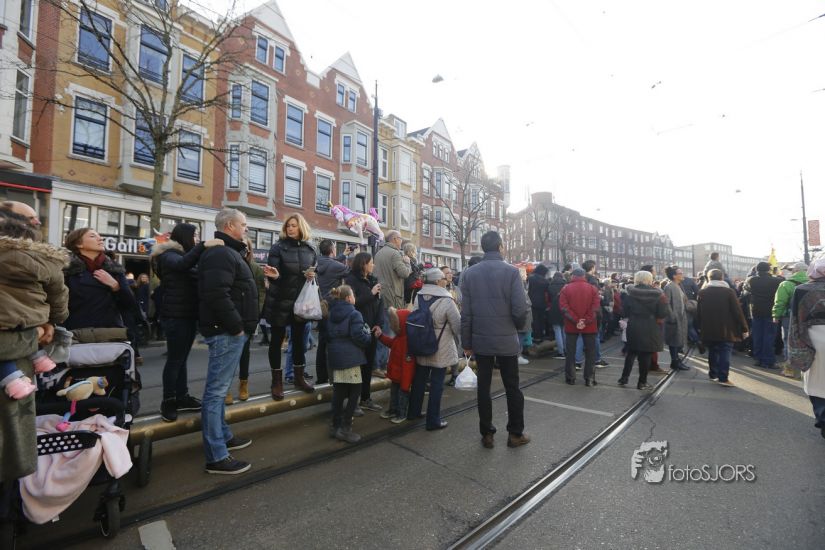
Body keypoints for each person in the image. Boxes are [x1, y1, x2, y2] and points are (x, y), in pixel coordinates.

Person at [0, 210, 68, 485]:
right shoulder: (45, 263)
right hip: (26, 337)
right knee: (15, 427)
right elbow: (59, 300)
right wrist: (47, 324)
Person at [197, 208, 258, 475]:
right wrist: (236, 327)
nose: (246, 228)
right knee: (215, 393)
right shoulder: (221, 253)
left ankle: (223, 436)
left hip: (228, 331)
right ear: (230, 225)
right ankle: (217, 456)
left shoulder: (228, 252)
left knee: (219, 391)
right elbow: (216, 293)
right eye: (243, 224)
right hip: (226, 332)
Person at [460, 231, 530, 449]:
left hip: (481, 340)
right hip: (506, 339)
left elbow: (466, 313)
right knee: (512, 387)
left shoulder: (470, 274)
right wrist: (516, 327)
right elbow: (520, 308)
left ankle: (487, 433)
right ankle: (515, 434)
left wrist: (466, 343)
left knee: (484, 387)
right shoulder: (511, 272)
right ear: (500, 247)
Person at [151, 222, 215, 422]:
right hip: (175, 315)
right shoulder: (169, 254)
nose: (197, 239)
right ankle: (168, 401)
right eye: (195, 236)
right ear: (185, 236)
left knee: (181, 358)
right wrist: (203, 246)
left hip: (187, 314)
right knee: (175, 360)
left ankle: (182, 396)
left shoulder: (183, 256)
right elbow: (182, 265)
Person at [262, 213, 317, 400]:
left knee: (300, 342)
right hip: (279, 301)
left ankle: (299, 378)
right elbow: (273, 275)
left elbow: (313, 271)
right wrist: (275, 276)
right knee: (276, 341)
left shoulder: (310, 249)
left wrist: (311, 275)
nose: (291, 228)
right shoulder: (278, 247)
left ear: (301, 227)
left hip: (300, 303)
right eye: (288, 226)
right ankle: (276, 382)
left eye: (294, 225)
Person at [407, 268, 461, 430]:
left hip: (421, 342)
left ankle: (413, 412)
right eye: (444, 278)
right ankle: (433, 420)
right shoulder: (447, 299)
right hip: (440, 346)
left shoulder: (419, 296)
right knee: (437, 383)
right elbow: (457, 325)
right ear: (438, 281)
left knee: (419, 379)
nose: (446, 280)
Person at [62, 228, 137, 336]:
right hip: (77, 333)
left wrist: (115, 286)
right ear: (79, 244)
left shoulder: (115, 269)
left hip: (112, 332)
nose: (100, 239)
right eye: (93, 236)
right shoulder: (67, 271)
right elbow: (59, 305)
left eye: (99, 236)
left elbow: (130, 304)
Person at [326, 285, 373, 443]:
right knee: (355, 390)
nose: (354, 298)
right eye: (353, 295)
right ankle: (345, 428)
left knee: (339, 391)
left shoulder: (332, 312)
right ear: (348, 298)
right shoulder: (354, 313)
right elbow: (358, 336)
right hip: (351, 357)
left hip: (336, 356)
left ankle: (335, 426)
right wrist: (368, 336)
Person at [226, 236, 267, 404]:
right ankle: (226, 387)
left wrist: (257, 310)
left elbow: (261, 291)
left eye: (246, 247)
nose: (244, 250)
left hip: (249, 316)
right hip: (231, 315)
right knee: (228, 354)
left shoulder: (255, 268)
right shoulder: (229, 263)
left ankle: (244, 384)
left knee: (244, 353)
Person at [788, 255, 825, 438]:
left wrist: (796, 346)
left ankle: (823, 417)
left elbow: (796, 321)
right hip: (815, 337)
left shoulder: (801, 290)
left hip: (814, 340)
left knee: (816, 381)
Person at [345, 252, 385, 413]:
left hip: (372, 329)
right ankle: (352, 402)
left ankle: (365, 398)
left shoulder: (373, 280)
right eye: (371, 262)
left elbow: (380, 304)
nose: (373, 265)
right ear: (363, 264)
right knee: (357, 367)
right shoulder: (351, 280)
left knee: (368, 366)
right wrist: (371, 293)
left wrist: (379, 324)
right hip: (358, 328)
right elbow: (353, 303)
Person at [618, 271, 671, 390]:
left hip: (634, 325)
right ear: (649, 279)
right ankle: (642, 382)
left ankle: (624, 378)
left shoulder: (629, 293)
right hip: (651, 326)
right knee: (646, 355)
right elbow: (663, 313)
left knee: (631, 352)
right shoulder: (658, 294)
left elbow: (624, 311)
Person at [697, 269, 749, 386]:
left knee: (712, 351)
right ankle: (723, 378)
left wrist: (699, 327)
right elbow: (737, 311)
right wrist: (744, 327)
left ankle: (713, 374)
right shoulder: (729, 292)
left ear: (709, 278)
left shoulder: (702, 292)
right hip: (726, 329)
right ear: (722, 278)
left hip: (708, 328)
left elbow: (699, 312)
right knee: (725, 351)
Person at [315, 239, 351, 384]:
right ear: (332, 250)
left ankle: (321, 376)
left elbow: (330, 263)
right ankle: (333, 376)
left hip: (319, 306)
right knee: (333, 342)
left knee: (321, 342)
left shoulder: (317, 262)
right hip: (331, 307)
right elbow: (349, 271)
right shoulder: (336, 266)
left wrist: (343, 255)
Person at [558, 268, 601, 386]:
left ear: (573, 276)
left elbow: (564, 307)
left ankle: (570, 378)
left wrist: (576, 320)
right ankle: (589, 378)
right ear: (584, 276)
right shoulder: (593, 289)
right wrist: (585, 320)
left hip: (571, 324)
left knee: (570, 352)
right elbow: (595, 308)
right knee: (590, 352)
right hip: (589, 325)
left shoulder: (566, 289)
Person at [377, 306, 415, 423]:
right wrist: (381, 336)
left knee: (402, 395)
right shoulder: (399, 337)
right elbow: (391, 343)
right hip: (396, 375)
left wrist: (406, 383)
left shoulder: (406, 341)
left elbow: (408, 365)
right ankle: (393, 410)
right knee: (394, 394)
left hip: (402, 377)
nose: (392, 326)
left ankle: (401, 413)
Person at [743, 261, 782, 369]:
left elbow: (745, 292)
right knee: (769, 336)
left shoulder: (751, 280)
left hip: (756, 310)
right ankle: (768, 360)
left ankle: (758, 358)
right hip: (770, 310)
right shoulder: (776, 281)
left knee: (757, 335)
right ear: (768, 269)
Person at [773, 262, 809, 379]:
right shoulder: (814, 283)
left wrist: (776, 315)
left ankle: (790, 369)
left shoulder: (786, 284)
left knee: (789, 341)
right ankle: (806, 370)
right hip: (809, 318)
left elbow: (780, 302)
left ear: (795, 271)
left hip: (789, 317)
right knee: (807, 342)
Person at [663, 266, 690, 371]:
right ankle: (675, 362)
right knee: (674, 341)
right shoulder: (669, 287)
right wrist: (672, 317)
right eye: (680, 273)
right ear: (674, 276)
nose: (682, 275)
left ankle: (677, 361)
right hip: (674, 319)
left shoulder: (679, 285)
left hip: (681, 318)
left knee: (678, 340)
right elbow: (666, 303)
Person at [527, 264, 550, 344]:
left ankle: (535, 337)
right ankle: (541, 336)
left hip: (532, 302)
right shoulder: (546, 281)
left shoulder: (530, 278)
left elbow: (527, 289)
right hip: (542, 303)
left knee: (534, 320)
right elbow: (547, 293)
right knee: (541, 320)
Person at [547, 270, 567, 358]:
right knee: (564, 330)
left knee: (557, 330)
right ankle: (566, 349)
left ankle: (560, 352)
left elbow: (548, 299)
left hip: (554, 309)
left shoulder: (550, 286)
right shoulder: (566, 286)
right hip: (564, 309)